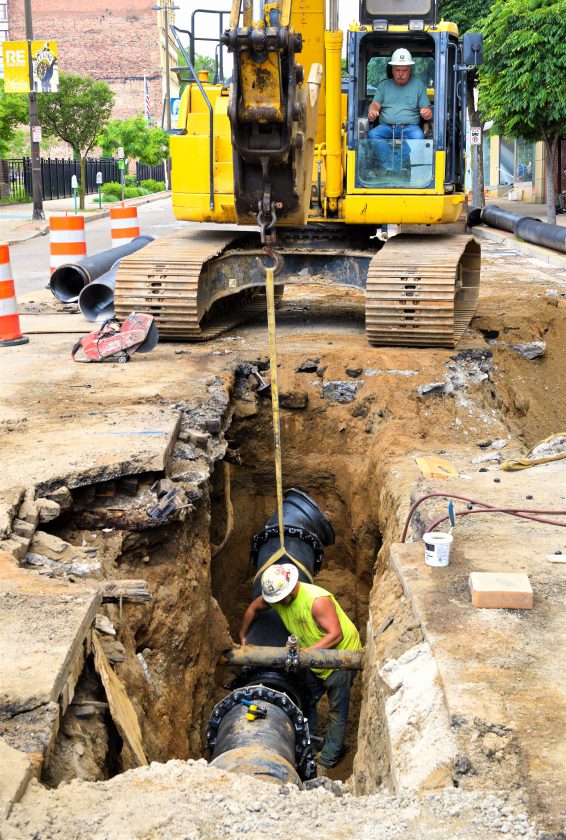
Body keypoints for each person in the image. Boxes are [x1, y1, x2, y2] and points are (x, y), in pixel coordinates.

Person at [239, 563, 362, 770]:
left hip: (340, 657)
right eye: (274, 601)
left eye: (279, 600)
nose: (276, 604)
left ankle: (327, 759)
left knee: (336, 710)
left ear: (291, 589)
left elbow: (336, 634)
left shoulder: (316, 601)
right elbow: (254, 607)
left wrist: (304, 654)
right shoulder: (279, 599)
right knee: (307, 699)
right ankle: (310, 746)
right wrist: (243, 635)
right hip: (311, 657)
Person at [368, 48, 432, 172]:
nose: (401, 73)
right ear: (392, 70)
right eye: (397, 70)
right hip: (386, 126)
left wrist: (427, 113)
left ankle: (392, 167)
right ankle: (394, 165)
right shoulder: (383, 86)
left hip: (410, 128)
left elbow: (426, 108)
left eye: (404, 70)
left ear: (410, 70)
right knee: (373, 135)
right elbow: (375, 105)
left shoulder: (418, 85)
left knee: (418, 137)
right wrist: (372, 111)